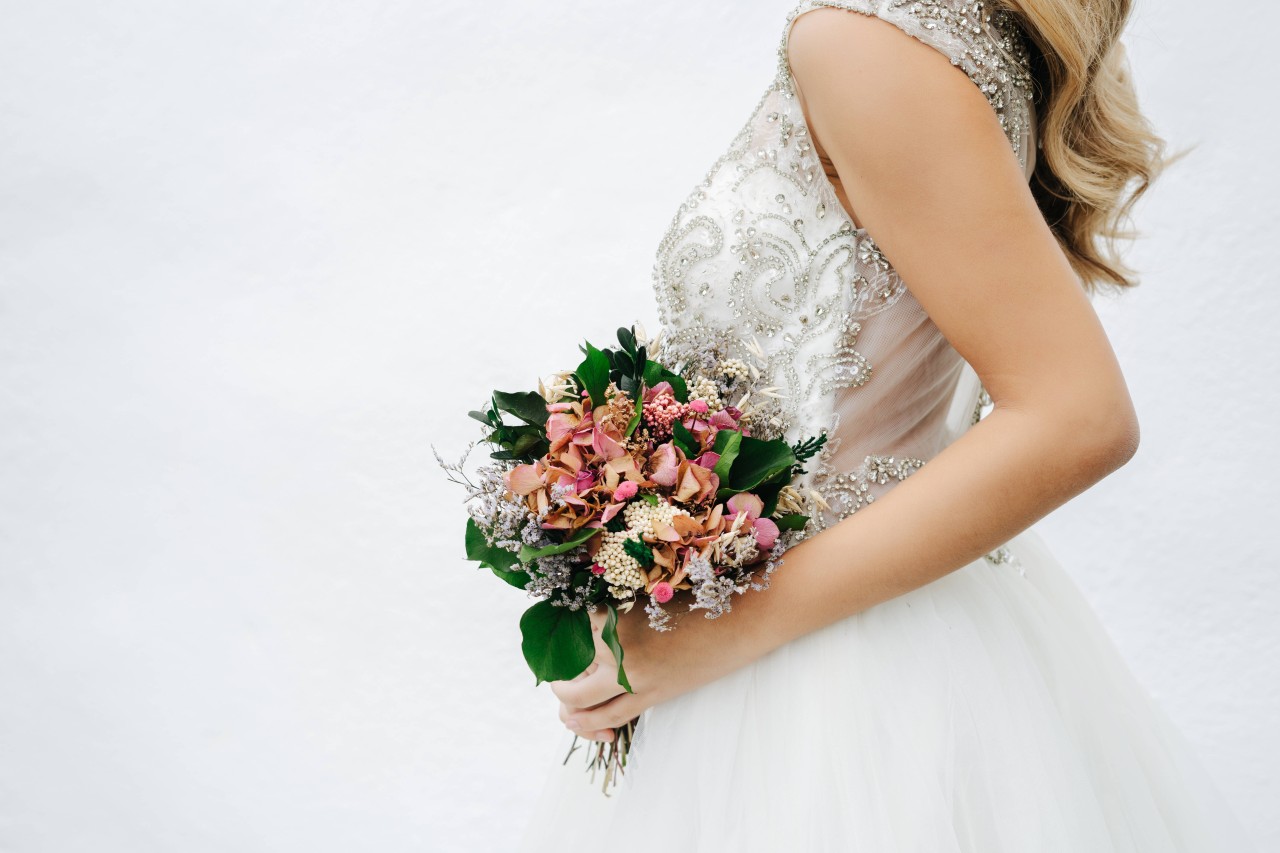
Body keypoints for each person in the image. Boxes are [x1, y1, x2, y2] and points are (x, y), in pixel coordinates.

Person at [521, 1, 1256, 849]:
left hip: (823, 684)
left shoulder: (869, 40)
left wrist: (702, 635)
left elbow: (1079, 416)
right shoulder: (940, 34)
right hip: (878, 643)